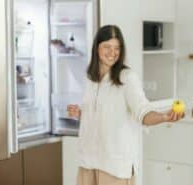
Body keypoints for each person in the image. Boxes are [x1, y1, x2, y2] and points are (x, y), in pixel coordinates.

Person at [67, 25, 184, 185]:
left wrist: (164, 116)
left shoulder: (127, 78)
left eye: (117, 48)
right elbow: (100, 111)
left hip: (114, 166)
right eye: (107, 47)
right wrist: (80, 112)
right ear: (97, 48)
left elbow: (143, 112)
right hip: (88, 161)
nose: (112, 52)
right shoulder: (90, 78)